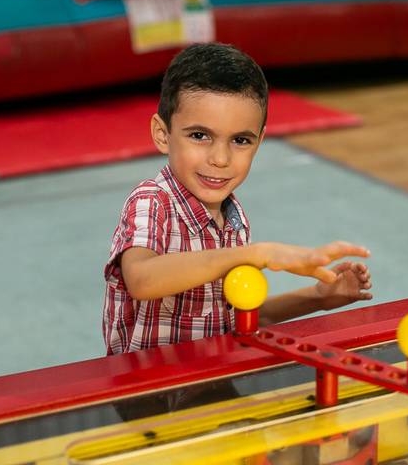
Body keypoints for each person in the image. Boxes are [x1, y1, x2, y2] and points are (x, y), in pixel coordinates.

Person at [103, 43, 372, 355]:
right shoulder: (152, 201)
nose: (220, 158)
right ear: (163, 134)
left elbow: (234, 321)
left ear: (259, 141)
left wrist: (318, 297)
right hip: (150, 384)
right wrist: (256, 254)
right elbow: (142, 279)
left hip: (213, 376)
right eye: (199, 135)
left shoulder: (234, 219)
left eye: (240, 140)